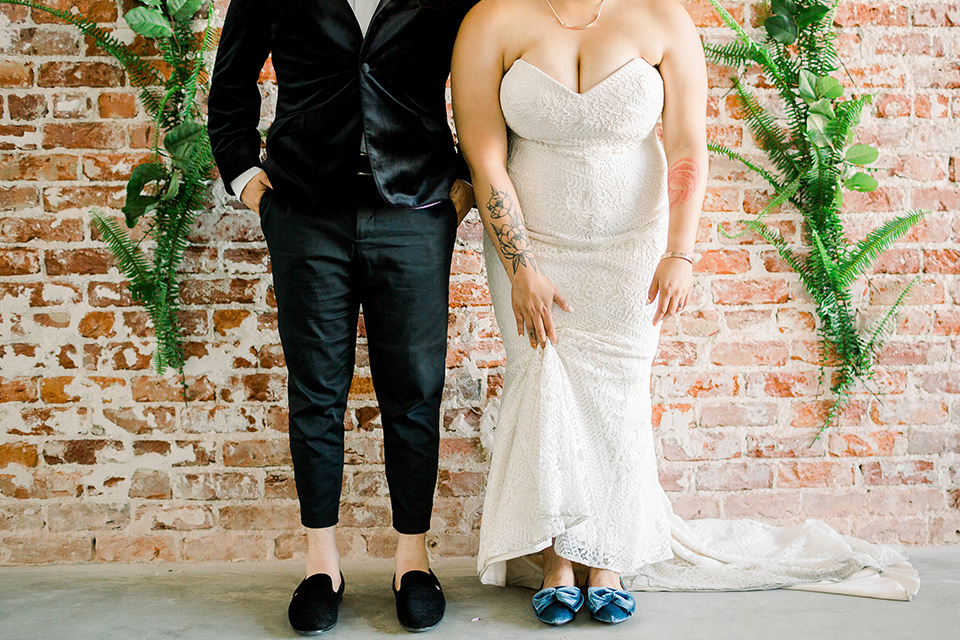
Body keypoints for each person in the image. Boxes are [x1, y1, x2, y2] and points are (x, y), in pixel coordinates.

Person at [451, 0, 915, 627]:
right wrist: (520, 266)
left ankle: (608, 558)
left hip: (632, 249)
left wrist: (681, 253)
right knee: (542, 384)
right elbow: (484, 157)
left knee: (617, 397)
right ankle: (559, 559)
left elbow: (688, 147)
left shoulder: (662, 18)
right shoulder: (491, 19)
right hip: (536, 247)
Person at [207, 0, 476, 634]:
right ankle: (320, 564)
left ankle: (413, 558)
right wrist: (250, 184)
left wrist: (461, 186)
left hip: (414, 209)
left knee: (414, 389)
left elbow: (486, 79)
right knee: (316, 389)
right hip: (305, 209)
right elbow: (231, 85)